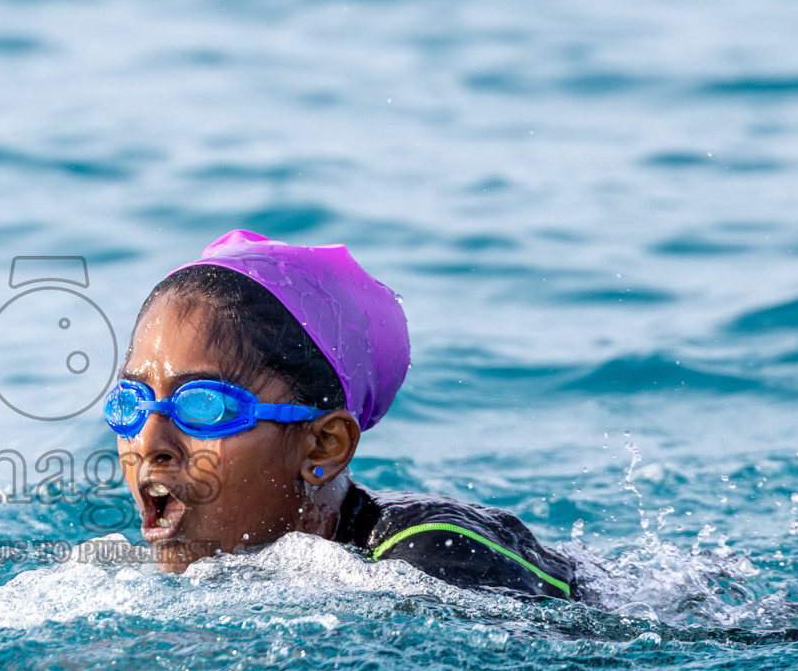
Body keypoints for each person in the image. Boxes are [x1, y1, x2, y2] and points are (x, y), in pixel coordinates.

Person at [105, 229, 577, 599]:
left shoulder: (433, 556)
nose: (147, 442)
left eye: (203, 406)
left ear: (323, 445)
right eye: (131, 403)